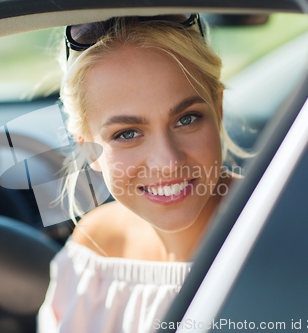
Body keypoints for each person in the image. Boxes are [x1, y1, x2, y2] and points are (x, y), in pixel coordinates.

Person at [37, 14, 248, 333]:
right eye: (127, 133)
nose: (168, 163)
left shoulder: (282, 227)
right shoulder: (94, 252)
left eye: (187, 119)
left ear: (217, 109)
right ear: (86, 147)